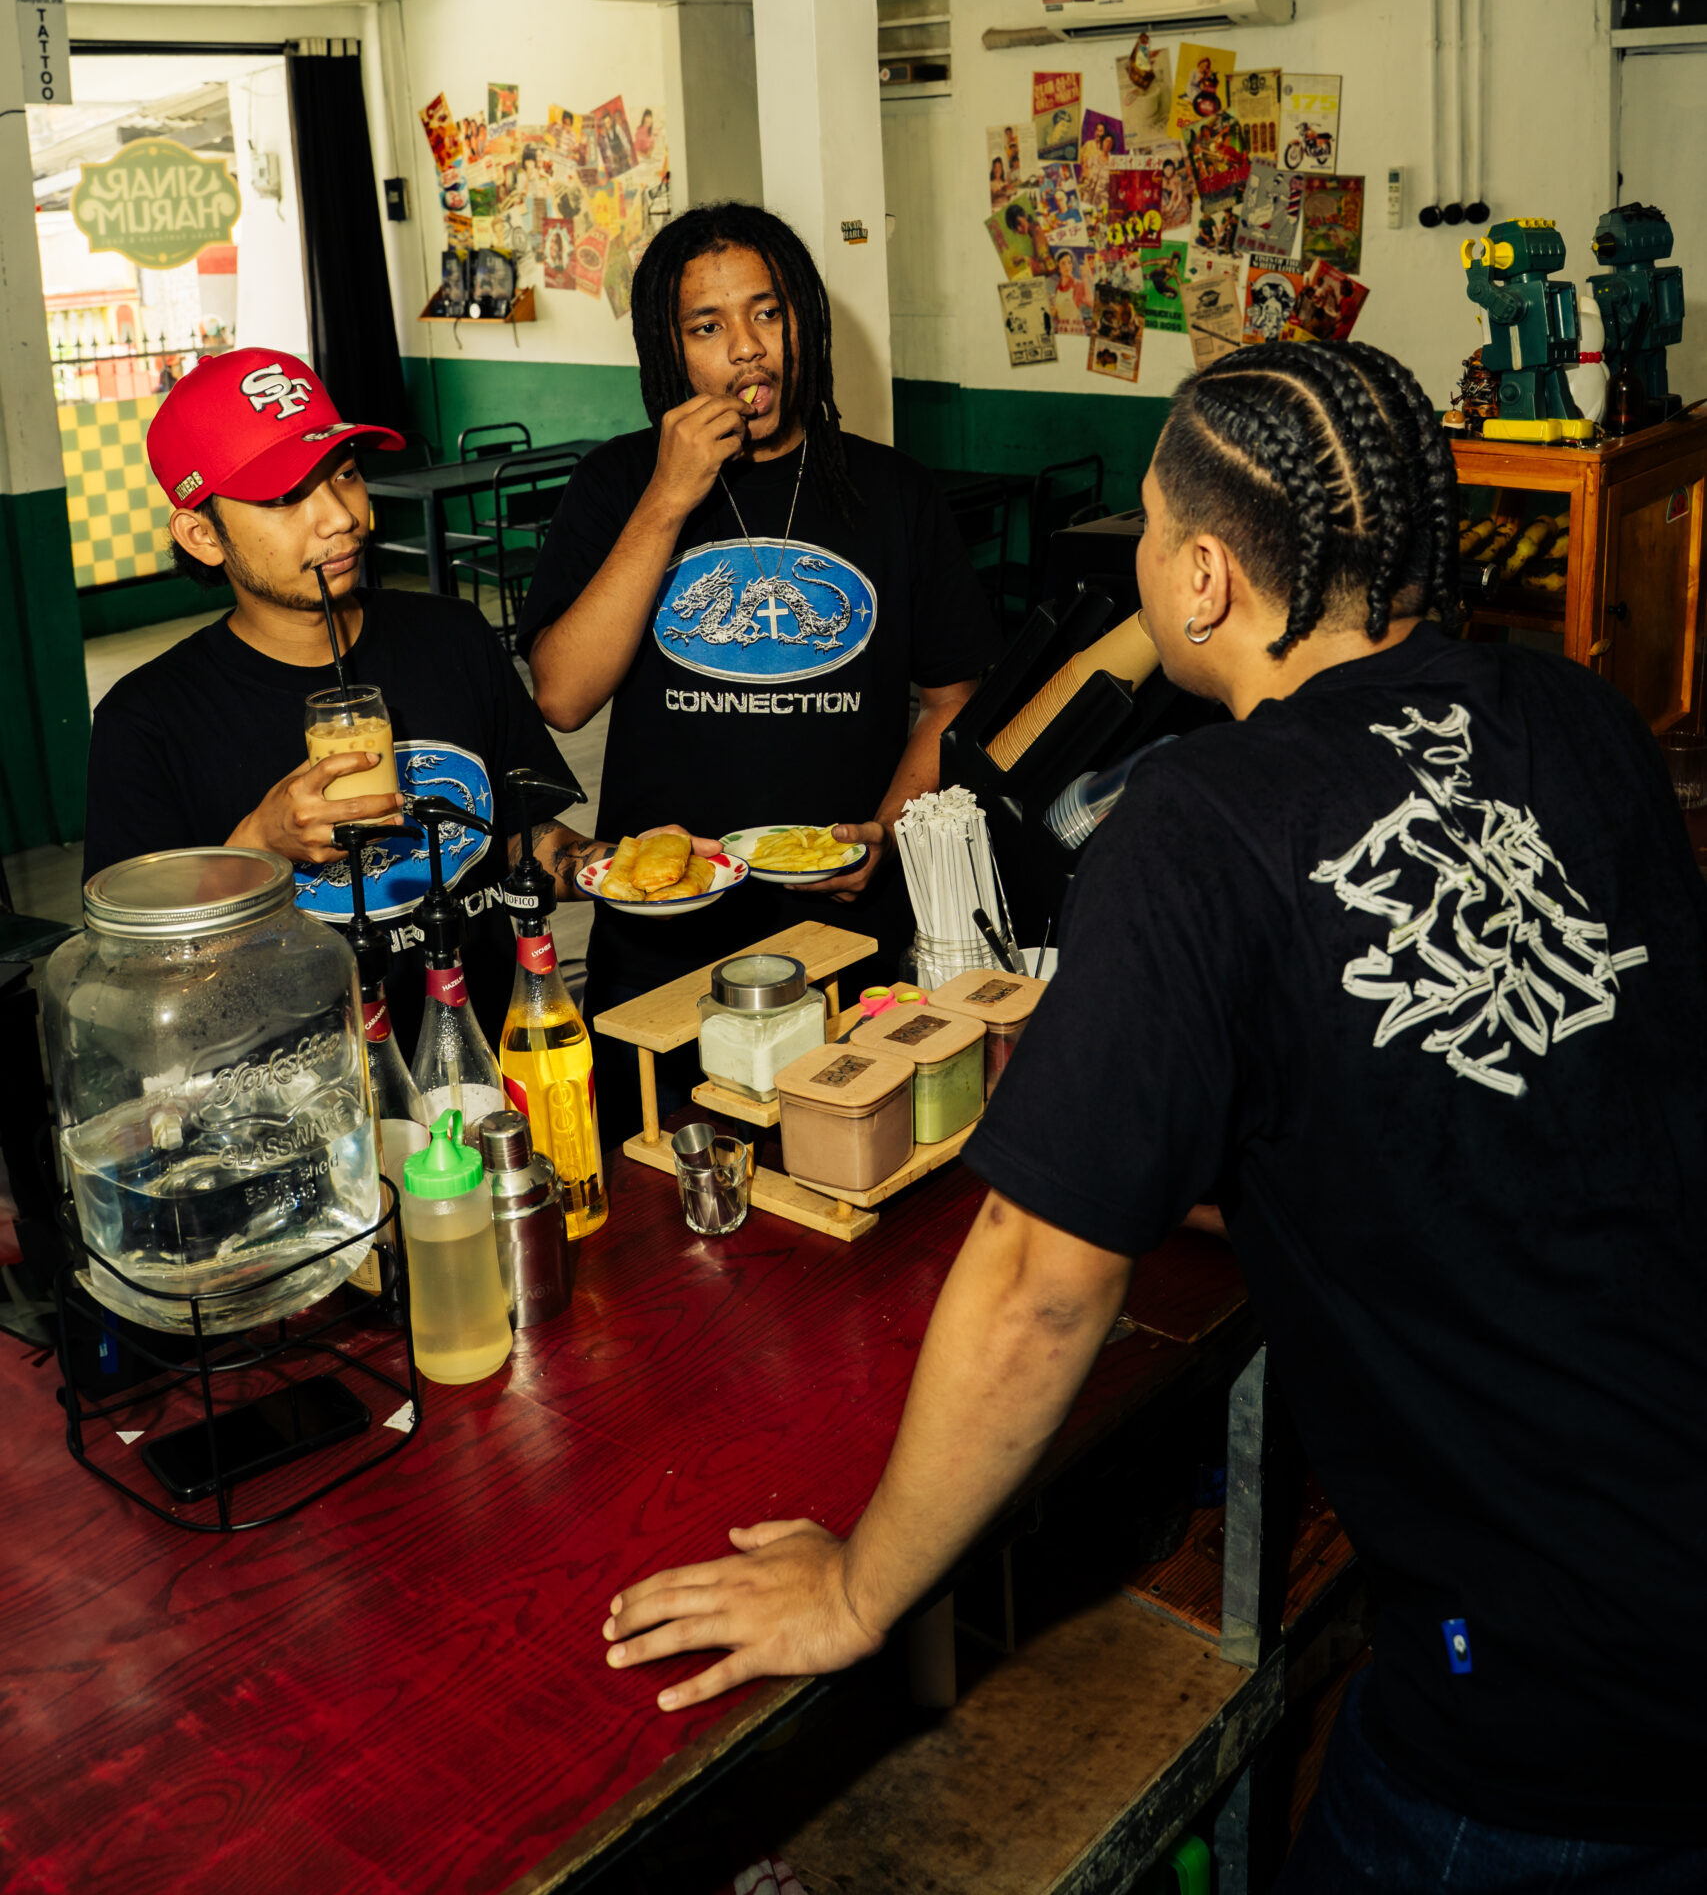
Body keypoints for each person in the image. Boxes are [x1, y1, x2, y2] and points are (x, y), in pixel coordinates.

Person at [600, 339, 1707, 1890]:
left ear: (1199, 576)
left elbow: (1038, 1290)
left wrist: (856, 1594)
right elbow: (1456, 1092)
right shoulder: (1572, 714)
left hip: (1559, 1692)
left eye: (1149, 527)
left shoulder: (1198, 822)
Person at [519, 203, 999, 1127]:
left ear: (804, 322)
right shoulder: (617, 485)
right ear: (668, 351)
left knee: (847, 1166)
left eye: (767, 313)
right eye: (706, 327)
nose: (746, 348)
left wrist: (887, 832)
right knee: (658, 1177)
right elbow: (563, 696)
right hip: (662, 931)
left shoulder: (893, 491)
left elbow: (952, 698)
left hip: (841, 932)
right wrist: (666, 501)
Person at [84, 347, 596, 1046]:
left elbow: (516, 837)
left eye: (345, 474)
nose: (339, 517)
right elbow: (136, 982)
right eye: (283, 498)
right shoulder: (147, 720)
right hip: (305, 1084)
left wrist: (615, 867)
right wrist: (258, 843)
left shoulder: (452, 635)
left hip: (487, 1049)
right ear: (202, 535)